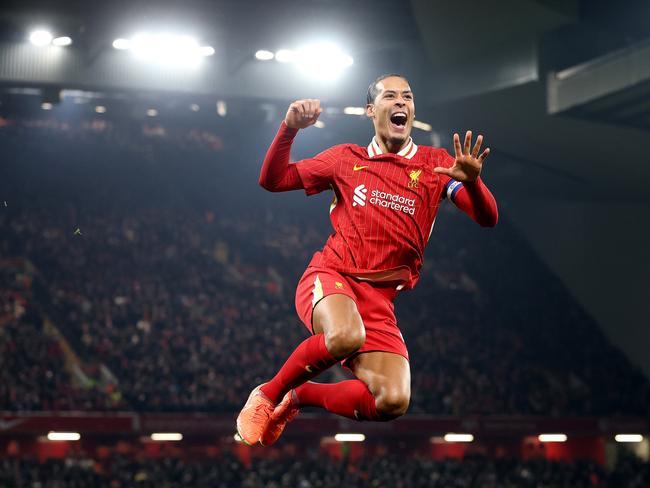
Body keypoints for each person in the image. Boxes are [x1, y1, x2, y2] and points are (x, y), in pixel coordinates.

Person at [236, 74, 498, 446]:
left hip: (381, 300)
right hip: (332, 276)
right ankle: (267, 394)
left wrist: (472, 182)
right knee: (345, 335)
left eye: (407, 96)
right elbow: (273, 180)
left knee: (393, 400)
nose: (401, 103)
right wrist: (289, 130)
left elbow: (488, 219)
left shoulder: (436, 165)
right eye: (390, 96)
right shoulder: (345, 159)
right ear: (371, 110)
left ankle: (300, 395)